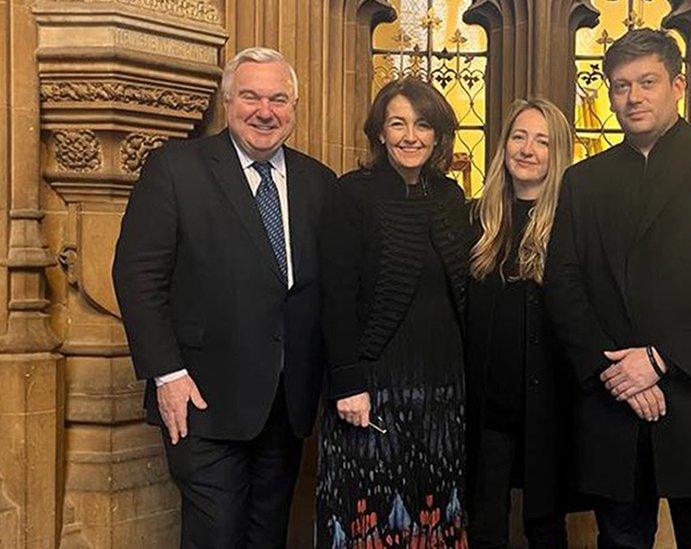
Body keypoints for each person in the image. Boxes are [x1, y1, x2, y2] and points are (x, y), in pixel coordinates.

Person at [544, 29, 691, 548]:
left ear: (678, 84)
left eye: (647, 82)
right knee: (620, 541)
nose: (633, 97)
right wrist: (615, 370)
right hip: (615, 404)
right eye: (621, 85)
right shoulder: (584, 180)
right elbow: (563, 283)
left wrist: (657, 359)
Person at [113, 47, 341, 547]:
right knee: (216, 537)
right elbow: (137, 276)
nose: (266, 111)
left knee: (267, 537)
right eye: (251, 96)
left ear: (295, 106)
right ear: (227, 101)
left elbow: (326, 293)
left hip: (285, 406)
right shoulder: (175, 170)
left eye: (279, 99)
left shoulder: (318, 183)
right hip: (201, 400)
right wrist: (166, 374)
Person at [317, 77, 470, 547]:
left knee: (433, 514)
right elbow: (335, 297)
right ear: (379, 133)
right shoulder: (352, 194)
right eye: (397, 123)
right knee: (372, 516)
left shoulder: (449, 196)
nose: (410, 136)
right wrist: (348, 383)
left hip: (442, 391)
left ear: (437, 134)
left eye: (422, 125)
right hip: (371, 391)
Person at [465, 99, 576, 548]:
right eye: (519, 136)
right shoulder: (475, 218)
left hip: (551, 402)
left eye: (542, 140)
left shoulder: (573, 223)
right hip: (488, 403)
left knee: (546, 527)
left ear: (559, 153)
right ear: (504, 145)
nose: (527, 149)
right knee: (485, 522)